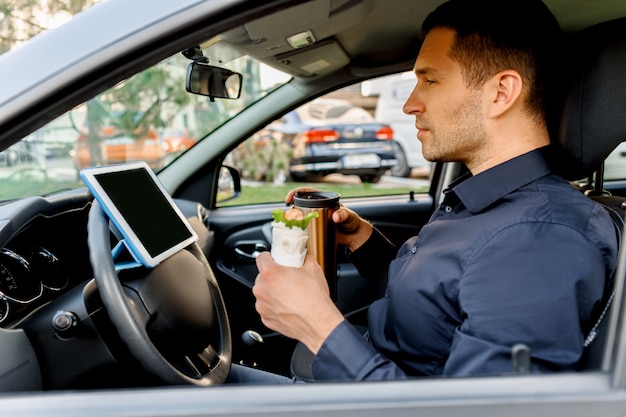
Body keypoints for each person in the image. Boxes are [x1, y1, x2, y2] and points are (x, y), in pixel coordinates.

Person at [248, 0, 619, 382]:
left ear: (501, 92)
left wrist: (316, 326)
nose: (410, 104)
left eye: (430, 80)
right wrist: (364, 241)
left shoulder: (539, 238)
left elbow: (477, 414)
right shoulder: (487, 206)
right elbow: (435, 308)